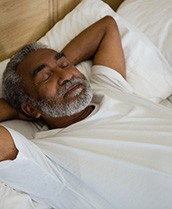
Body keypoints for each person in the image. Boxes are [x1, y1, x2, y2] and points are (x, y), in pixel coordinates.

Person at [1, 16, 172, 209]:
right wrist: (13, 108)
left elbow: (106, 27)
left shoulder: (107, 88)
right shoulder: (49, 157)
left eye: (65, 64)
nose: (66, 75)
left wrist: (56, 69)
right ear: (30, 108)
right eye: (46, 76)